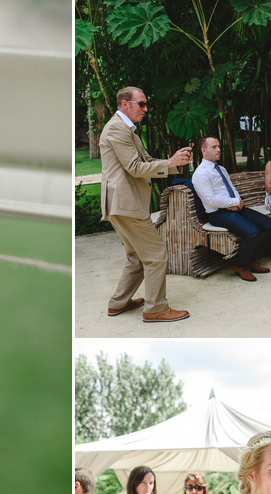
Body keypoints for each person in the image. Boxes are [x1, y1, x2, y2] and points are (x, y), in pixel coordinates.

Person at [100, 86, 192, 323]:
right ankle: (155, 308)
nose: (146, 109)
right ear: (125, 105)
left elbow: (146, 161)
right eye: (141, 104)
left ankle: (118, 303)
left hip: (122, 204)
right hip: (126, 204)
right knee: (156, 253)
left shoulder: (126, 129)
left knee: (136, 256)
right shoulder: (118, 130)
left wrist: (174, 162)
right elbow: (135, 168)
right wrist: (169, 162)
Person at [191, 136, 271, 282]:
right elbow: (210, 199)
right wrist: (234, 201)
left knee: (269, 225)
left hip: (235, 208)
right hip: (217, 213)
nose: (218, 149)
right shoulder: (200, 173)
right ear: (203, 150)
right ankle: (242, 266)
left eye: (218, 146)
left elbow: (231, 188)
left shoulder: (221, 169)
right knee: (253, 233)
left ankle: (251, 260)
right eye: (214, 147)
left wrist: (238, 202)